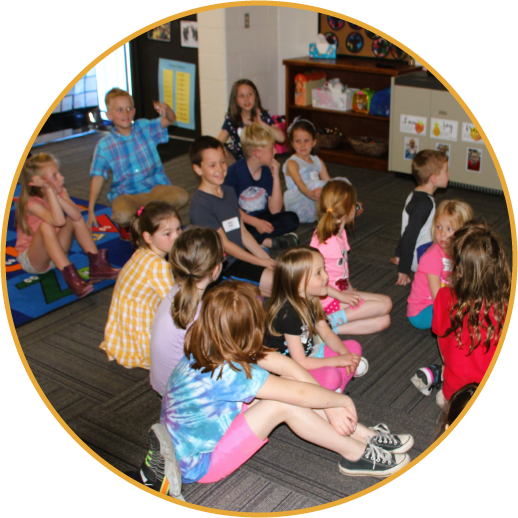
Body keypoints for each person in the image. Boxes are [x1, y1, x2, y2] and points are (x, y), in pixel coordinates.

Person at [149, 281, 413, 493]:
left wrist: (331, 406)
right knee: (282, 403)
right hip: (200, 463)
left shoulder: (212, 342)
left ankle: (363, 435)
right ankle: (355, 455)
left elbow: (284, 365)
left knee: (286, 387)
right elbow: (298, 394)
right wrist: (340, 402)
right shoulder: (228, 371)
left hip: (199, 435)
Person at [410, 224, 510, 409]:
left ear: (459, 269)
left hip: (455, 395)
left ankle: (441, 378)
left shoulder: (443, 297)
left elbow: (442, 344)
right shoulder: (506, 306)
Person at [265, 246, 369, 394]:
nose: (326, 276)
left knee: (353, 347)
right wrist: (339, 361)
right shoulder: (289, 316)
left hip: (309, 355)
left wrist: (346, 356)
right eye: (318, 273)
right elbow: (300, 363)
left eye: (324, 269)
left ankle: (333, 386)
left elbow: (326, 333)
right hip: (290, 372)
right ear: (299, 284)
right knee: (331, 378)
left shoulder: (312, 300)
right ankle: (335, 387)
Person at [87, 88, 188, 239]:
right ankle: (146, 220)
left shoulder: (145, 127)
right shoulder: (104, 145)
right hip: (126, 193)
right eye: (119, 110)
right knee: (122, 215)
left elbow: (170, 119)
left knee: (181, 196)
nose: (125, 113)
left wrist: (167, 110)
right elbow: (98, 177)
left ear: (134, 111)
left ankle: (144, 221)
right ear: (109, 115)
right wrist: (90, 210)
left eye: (128, 109)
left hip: (155, 188)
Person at [15, 153, 120, 298]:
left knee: (72, 216)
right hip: (34, 260)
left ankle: (98, 265)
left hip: (55, 252)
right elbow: (58, 221)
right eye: (55, 175)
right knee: (46, 226)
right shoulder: (30, 203)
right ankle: (72, 278)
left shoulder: (60, 191)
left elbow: (76, 216)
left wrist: (55, 194)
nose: (62, 177)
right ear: (41, 182)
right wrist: (51, 192)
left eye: (59, 173)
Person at [189, 136, 275, 296]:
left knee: (283, 279)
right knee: (280, 285)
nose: (220, 169)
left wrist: (267, 261)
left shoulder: (228, 191)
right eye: (212, 165)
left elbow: (242, 232)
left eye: (222, 162)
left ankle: (250, 292)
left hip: (241, 257)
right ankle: (234, 292)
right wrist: (261, 262)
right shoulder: (200, 206)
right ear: (198, 169)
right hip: (224, 267)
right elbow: (226, 245)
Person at [100, 202, 181, 369]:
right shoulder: (158, 266)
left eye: (178, 229)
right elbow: (177, 304)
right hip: (141, 332)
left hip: (125, 330)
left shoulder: (142, 253)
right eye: (167, 233)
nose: (176, 237)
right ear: (148, 237)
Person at [310, 180, 392, 335]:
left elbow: (340, 270)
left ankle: (323, 330)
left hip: (336, 294)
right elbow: (310, 281)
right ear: (349, 211)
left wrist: (348, 288)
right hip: (324, 300)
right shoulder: (325, 243)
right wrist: (341, 295)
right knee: (386, 303)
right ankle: (328, 322)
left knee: (384, 320)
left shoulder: (340, 234)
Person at [149, 227, 224, 396]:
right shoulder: (199, 317)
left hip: (164, 386)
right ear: (215, 269)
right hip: (185, 397)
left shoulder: (175, 292)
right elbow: (220, 365)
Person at [224, 123, 299, 249]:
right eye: (271, 148)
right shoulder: (234, 172)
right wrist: (254, 222)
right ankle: (266, 242)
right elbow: (230, 209)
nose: (275, 151)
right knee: (230, 227)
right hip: (242, 220)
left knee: (292, 219)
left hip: (263, 218)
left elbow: (275, 210)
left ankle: (253, 241)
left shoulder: (267, 171)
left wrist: (275, 176)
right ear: (257, 154)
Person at [407, 200, 473, 330]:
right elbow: (438, 297)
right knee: (463, 313)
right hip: (422, 311)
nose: (442, 233)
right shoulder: (432, 257)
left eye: (449, 229)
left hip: (439, 302)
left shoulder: (456, 252)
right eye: (439, 227)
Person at [392, 149, 450, 285]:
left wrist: (398, 254)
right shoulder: (423, 205)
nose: (449, 174)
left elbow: (407, 230)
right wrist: (403, 269)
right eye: (446, 171)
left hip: (420, 251)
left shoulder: (416, 194)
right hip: (419, 257)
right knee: (456, 261)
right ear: (434, 179)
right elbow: (409, 236)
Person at [217, 79, 285, 164]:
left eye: (250, 94)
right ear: (235, 100)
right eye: (241, 96)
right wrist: (220, 147)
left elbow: (281, 138)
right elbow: (218, 141)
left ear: (255, 96)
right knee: (220, 157)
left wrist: (261, 123)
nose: (246, 99)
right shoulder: (232, 118)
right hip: (237, 158)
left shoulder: (262, 116)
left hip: (257, 157)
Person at [282, 118, 331, 223]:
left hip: (315, 199)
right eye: (298, 141)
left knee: (339, 182)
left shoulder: (317, 161)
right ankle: (326, 220)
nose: (302, 145)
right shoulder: (292, 163)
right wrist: (310, 194)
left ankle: (347, 207)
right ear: (292, 143)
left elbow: (329, 182)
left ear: (314, 142)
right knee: (318, 185)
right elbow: (299, 184)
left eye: (306, 140)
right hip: (299, 204)